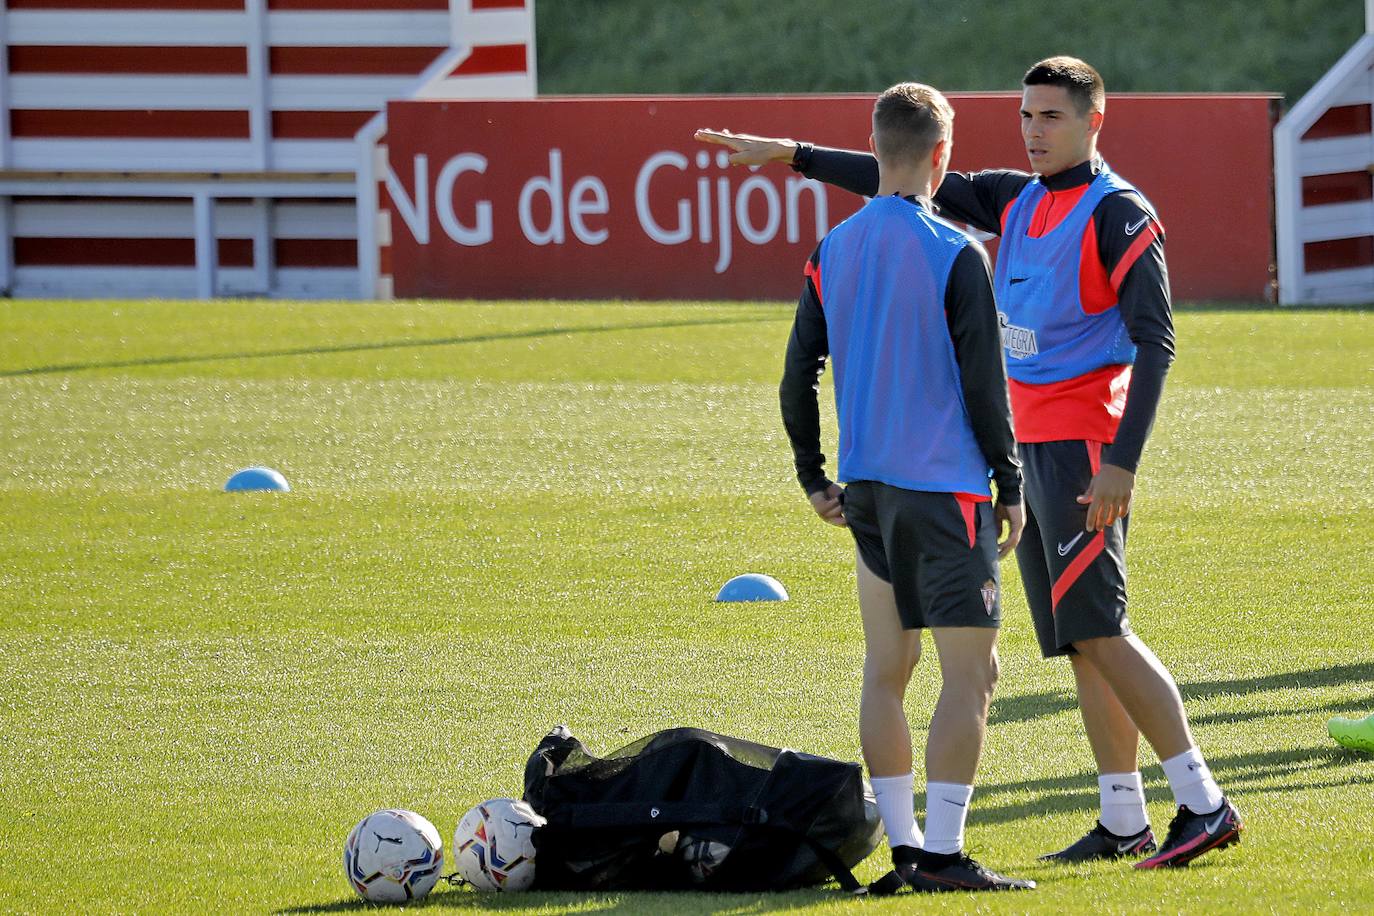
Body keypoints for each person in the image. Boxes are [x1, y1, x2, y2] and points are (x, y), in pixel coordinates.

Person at [702, 56, 1242, 869]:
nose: (1033, 131)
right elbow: (895, 173)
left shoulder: (1119, 214)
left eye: (1051, 117)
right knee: (1080, 640)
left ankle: (1203, 801)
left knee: (1102, 628)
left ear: (1096, 121)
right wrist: (792, 155)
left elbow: (1157, 342)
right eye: (1026, 115)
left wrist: (1124, 462)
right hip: (1028, 449)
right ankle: (1122, 816)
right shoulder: (1012, 196)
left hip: (1082, 451)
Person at [779, 81, 1031, 894]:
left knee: (885, 671)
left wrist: (814, 475)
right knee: (973, 675)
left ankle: (903, 849)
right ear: (942, 156)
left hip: (869, 493)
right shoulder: (960, 252)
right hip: (945, 492)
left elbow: (796, 376)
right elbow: (986, 387)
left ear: (877, 146)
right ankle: (943, 855)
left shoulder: (834, 248)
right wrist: (1011, 482)